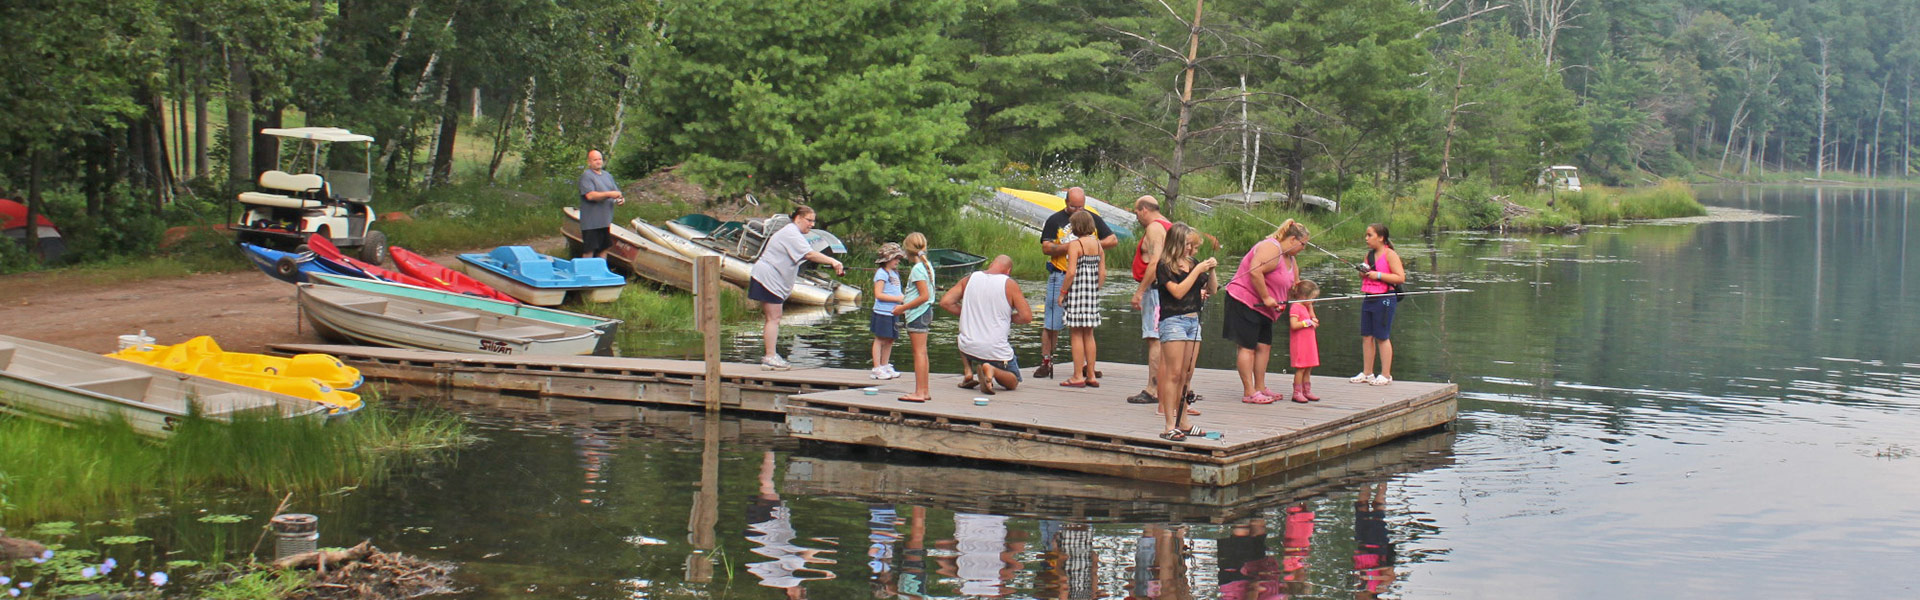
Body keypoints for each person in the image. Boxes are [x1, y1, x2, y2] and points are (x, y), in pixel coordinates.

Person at [748, 205, 846, 370]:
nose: (812, 224)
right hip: (767, 278)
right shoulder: (791, 232)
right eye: (809, 220)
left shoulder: (793, 233)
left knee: (774, 318)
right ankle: (770, 356)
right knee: (774, 318)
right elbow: (809, 254)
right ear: (798, 218)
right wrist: (833, 261)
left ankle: (770, 355)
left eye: (813, 221)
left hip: (770, 278)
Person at [1223, 219, 1309, 404]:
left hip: (1265, 309)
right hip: (1244, 301)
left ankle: (1260, 387)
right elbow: (1255, 271)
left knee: (1264, 346)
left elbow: (1293, 286)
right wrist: (1267, 298)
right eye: (1303, 244)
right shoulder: (1271, 248)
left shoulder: (1291, 260)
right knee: (1247, 346)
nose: (1304, 248)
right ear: (1293, 239)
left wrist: (1299, 298)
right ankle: (1249, 391)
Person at [1037, 187, 1117, 378]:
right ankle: (1046, 361)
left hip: (1082, 278)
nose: (1078, 210)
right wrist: (1071, 247)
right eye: (1074, 206)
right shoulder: (1055, 220)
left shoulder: (1091, 218)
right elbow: (1046, 247)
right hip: (1060, 274)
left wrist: (1085, 246)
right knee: (1053, 322)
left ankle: (1086, 368)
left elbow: (1112, 240)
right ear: (1066, 203)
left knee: (1084, 329)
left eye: (1081, 206)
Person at [1154, 223, 1216, 441]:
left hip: (1192, 322)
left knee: (1187, 374)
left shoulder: (1193, 264)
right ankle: (1169, 424)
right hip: (1173, 321)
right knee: (1173, 373)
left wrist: (1211, 271)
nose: (1192, 249)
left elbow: (1212, 289)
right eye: (1189, 245)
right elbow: (1178, 292)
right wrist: (1198, 270)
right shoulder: (1164, 266)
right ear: (1178, 243)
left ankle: (1184, 422)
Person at [939, 255, 1034, 395]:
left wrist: (968, 314)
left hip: (968, 348)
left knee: (963, 336)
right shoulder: (1009, 284)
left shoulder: (970, 278)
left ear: (990, 265)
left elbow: (945, 302)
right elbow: (1026, 317)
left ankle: (968, 371)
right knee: (1013, 382)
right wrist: (1006, 318)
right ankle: (992, 370)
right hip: (995, 351)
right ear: (1008, 271)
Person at [1128, 196, 1174, 405]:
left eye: (1137, 212)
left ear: (1144, 210)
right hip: (1165, 290)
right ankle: (1168, 386)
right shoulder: (1169, 225)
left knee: (1154, 337)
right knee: (1165, 338)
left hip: (1155, 291)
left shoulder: (1155, 228)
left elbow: (1155, 262)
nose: (1137, 216)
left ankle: (1153, 388)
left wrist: (1140, 291)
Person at [1352, 223, 1406, 386]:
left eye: (1370, 235)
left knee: (1382, 336)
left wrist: (1379, 275)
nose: (1366, 238)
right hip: (1369, 297)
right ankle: (1367, 373)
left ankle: (1386, 374)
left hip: (1385, 298)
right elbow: (1365, 276)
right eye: (1366, 235)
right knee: (1367, 336)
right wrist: (1363, 273)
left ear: (1381, 237)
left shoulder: (1390, 254)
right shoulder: (1369, 255)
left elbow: (1400, 277)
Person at [1057, 210, 1106, 388]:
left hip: (1077, 293)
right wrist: (1095, 288)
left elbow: (1070, 272)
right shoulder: (1098, 245)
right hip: (1091, 294)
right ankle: (1091, 375)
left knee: (1076, 333)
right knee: (1089, 334)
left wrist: (1063, 292)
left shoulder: (1075, 245)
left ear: (1076, 227)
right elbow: (1103, 273)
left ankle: (1078, 375)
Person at [893, 233, 936, 402]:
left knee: (918, 353)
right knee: (922, 353)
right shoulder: (927, 266)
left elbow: (924, 295)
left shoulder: (918, 269)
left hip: (918, 314)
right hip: (923, 313)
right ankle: (924, 391)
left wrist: (902, 308)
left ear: (907, 250)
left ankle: (919, 392)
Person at [575, 149, 624, 259]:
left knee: (604, 249)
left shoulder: (607, 176)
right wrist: (610, 194)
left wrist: (619, 199)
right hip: (591, 223)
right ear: (589, 162)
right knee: (589, 250)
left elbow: (617, 194)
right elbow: (590, 195)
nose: (598, 162)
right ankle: (586, 273)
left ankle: (601, 273)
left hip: (605, 222)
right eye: (595, 159)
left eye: (600, 159)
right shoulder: (586, 176)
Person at [869, 242, 908, 380]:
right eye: (895, 258)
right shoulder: (881, 273)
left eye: (899, 258)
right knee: (880, 339)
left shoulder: (894, 273)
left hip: (894, 312)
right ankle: (876, 368)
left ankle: (885, 364)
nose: (898, 261)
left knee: (890, 339)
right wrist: (897, 298)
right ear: (887, 259)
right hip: (882, 312)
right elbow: (878, 294)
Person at [1287, 279, 1323, 403]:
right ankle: (1297, 392)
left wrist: (1311, 311)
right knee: (1301, 368)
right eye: (1312, 298)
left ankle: (1306, 390)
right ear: (1303, 296)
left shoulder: (1306, 306)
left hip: (1309, 342)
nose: (1313, 301)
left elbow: (1313, 317)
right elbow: (1294, 325)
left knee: (1308, 367)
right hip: (1300, 343)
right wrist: (1307, 322)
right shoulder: (1296, 307)